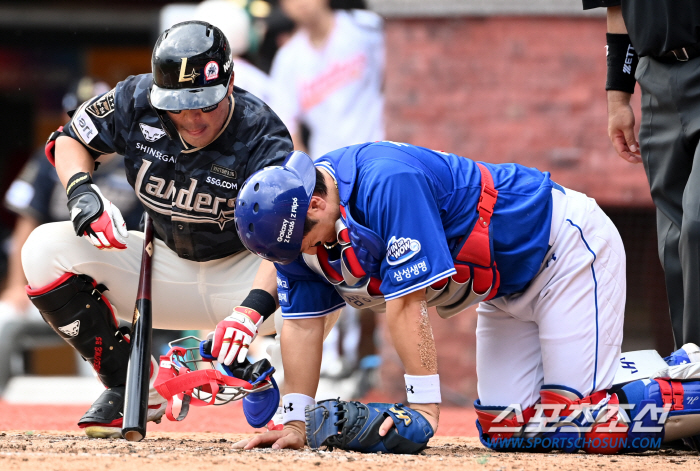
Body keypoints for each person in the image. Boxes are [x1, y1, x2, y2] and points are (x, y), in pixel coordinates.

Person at [229, 142, 700, 454]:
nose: (302, 254)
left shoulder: (385, 181)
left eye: (303, 241)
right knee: (504, 428)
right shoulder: (296, 220)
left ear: (314, 204)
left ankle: (686, 384)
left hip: (565, 250)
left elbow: (407, 306)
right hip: (505, 293)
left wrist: (424, 409)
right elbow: (304, 323)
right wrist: (294, 422)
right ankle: (644, 371)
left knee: (571, 421)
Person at [20, 21, 292, 439]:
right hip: (164, 268)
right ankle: (129, 381)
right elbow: (70, 139)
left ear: (230, 83)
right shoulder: (135, 97)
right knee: (42, 248)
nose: (191, 118)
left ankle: (292, 399)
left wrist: (250, 310)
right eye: (178, 105)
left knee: (313, 255)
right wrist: (82, 194)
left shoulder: (264, 134)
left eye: (204, 103)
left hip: (243, 278)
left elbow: (284, 242)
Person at [268, 0, 385, 387]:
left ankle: (368, 357)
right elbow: (291, 129)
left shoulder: (367, 28)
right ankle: (340, 361)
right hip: (330, 178)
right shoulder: (289, 56)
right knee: (334, 263)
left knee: (381, 263)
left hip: (375, 168)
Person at [582, 2, 700, 350]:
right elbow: (618, 9)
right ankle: (689, 366)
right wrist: (618, 100)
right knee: (673, 242)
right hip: (656, 80)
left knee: (696, 225)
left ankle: (697, 363)